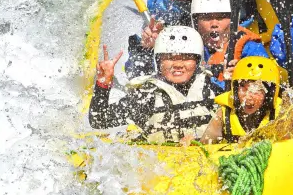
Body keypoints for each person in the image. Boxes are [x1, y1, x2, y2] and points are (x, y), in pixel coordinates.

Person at [88, 26, 217, 143]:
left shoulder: (212, 90)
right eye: (170, 58)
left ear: (197, 61)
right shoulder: (145, 97)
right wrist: (103, 83)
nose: (178, 65)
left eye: (186, 58)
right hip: (164, 163)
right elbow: (99, 120)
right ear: (158, 61)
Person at [126, 0, 268, 86]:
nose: (214, 23)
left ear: (232, 20)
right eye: (207, 18)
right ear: (196, 22)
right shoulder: (182, 41)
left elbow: (264, 88)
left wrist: (239, 80)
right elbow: (138, 78)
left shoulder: (250, 48)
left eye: (221, 17)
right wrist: (148, 50)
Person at [200, 57, 282, 143]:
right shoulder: (223, 114)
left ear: (269, 94)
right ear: (235, 89)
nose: (248, 96)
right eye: (243, 87)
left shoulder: (281, 114)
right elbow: (204, 147)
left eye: (257, 89)